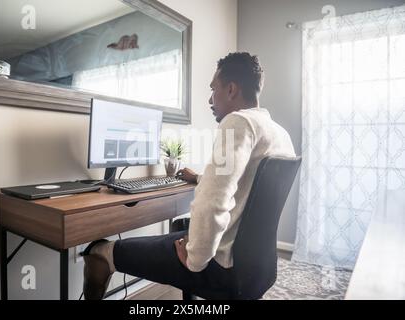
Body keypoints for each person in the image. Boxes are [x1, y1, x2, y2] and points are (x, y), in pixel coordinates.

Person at [81, 52, 296, 300]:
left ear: (231, 89)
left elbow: (213, 202)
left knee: (99, 252)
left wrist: (194, 261)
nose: (210, 98)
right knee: (181, 229)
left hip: (221, 266)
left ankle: (104, 257)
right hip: (256, 269)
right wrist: (200, 179)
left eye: (213, 89)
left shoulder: (237, 122)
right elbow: (245, 188)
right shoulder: (279, 133)